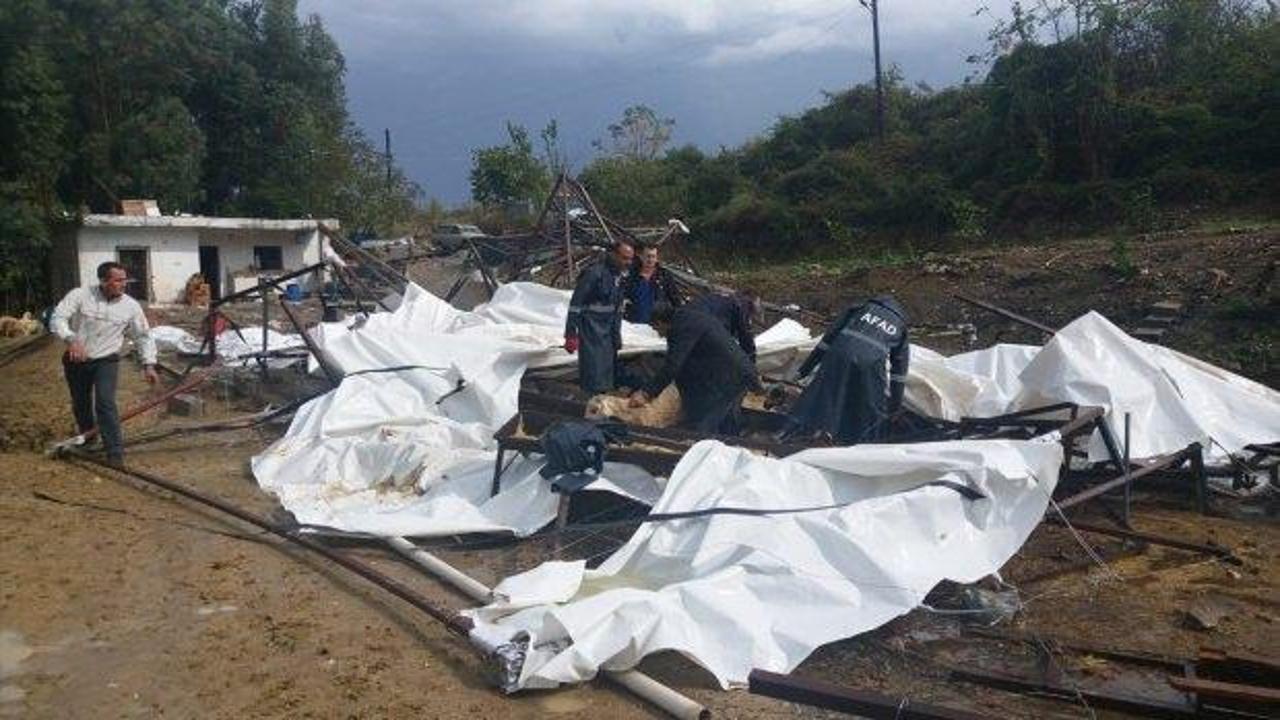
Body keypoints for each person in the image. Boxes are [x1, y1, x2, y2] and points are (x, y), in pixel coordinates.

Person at [50, 261, 159, 465]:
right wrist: (71, 339)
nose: (123, 284)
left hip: (106, 361)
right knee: (81, 403)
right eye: (118, 280)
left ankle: (115, 452)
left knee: (105, 402)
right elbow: (58, 318)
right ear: (103, 281)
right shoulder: (80, 295)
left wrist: (149, 364)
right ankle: (89, 440)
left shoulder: (130, 306)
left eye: (124, 279)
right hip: (76, 359)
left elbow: (143, 336)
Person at [784, 295, 909, 444]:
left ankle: (790, 434)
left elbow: (828, 339)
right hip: (870, 363)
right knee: (870, 408)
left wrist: (803, 370)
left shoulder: (860, 308)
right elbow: (899, 371)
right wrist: (895, 406)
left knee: (821, 395)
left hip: (838, 353)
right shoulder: (900, 325)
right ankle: (864, 447)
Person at [629, 302, 762, 435]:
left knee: (705, 426)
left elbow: (673, 365)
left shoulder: (682, 327)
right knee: (723, 421)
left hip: (729, 376)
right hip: (732, 371)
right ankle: (731, 439)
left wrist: (646, 393)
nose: (659, 334)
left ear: (660, 322)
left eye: (655, 328)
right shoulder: (686, 318)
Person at [564, 239, 634, 393]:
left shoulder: (620, 277)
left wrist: (617, 334)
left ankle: (603, 406)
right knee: (593, 376)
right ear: (613, 255)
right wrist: (570, 333)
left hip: (608, 333)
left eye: (630, 258)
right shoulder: (594, 273)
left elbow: (618, 309)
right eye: (624, 258)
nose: (628, 262)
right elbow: (576, 304)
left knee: (608, 376)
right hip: (591, 331)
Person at [688, 291, 758, 364]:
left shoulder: (717, 297)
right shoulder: (742, 304)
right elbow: (745, 337)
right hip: (708, 326)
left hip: (686, 321)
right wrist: (751, 362)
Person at [621, 243, 682, 323]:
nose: (650, 260)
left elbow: (675, 299)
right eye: (648, 256)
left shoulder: (664, 276)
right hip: (631, 324)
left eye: (653, 256)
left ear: (657, 258)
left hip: (655, 325)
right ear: (641, 256)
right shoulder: (631, 274)